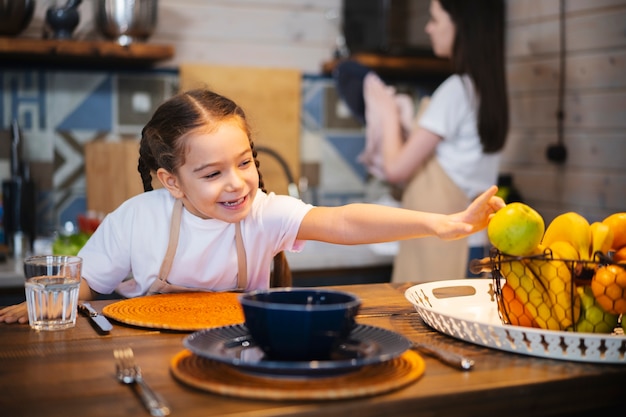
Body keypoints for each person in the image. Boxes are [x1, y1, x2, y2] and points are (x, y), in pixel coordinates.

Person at [0, 88, 504, 324]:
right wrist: (42, 304)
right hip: (148, 350)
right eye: (212, 172)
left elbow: (347, 219)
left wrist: (443, 223)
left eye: (244, 162)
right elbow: (91, 282)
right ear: (170, 182)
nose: (238, 183)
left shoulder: (264, 213)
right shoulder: (137, 220)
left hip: (240, 346)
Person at [361, 0, 508, 282]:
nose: (428, 28)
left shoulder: (455, 91)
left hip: (446, 247)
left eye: (436, 19)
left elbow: (396, 169)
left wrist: (388, 113)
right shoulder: (486, 91)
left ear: (460, 27)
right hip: (476, 243)